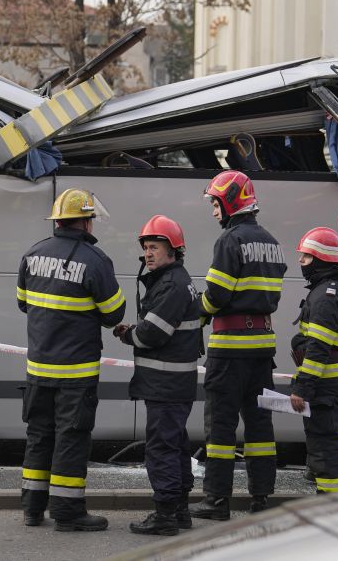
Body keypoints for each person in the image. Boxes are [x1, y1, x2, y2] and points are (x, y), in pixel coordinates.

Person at [17, 188, 126, 532]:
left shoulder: (32, 254)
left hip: (37, 368)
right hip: (75, 373)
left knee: (39, 434)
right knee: (71, 437)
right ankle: (67, 512)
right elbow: (113, 313)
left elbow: (24, 303)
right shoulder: (95, 261)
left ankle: (32, 508)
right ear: (84, 221)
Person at [189, 171, 287, 521]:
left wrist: (195, 314)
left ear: (230, 202)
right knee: (260, 426)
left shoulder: (230, 241)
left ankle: (216, 501)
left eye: (216, 204)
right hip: (262, 350)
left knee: (220, 427)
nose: (214, 211)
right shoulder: (271, 241)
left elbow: (216, 295)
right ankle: (261, 497)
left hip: (229, 349)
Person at [112, 215, 201, 536]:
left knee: (162, 448)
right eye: (146, 248)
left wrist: (127, 335)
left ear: (172, 250)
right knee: (175, 445)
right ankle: (178, 511)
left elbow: (153, 334)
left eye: (155, 247)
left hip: (166, 386)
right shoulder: (175, 281)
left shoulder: (172, 285)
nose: (148, 254)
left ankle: (165, 515)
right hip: (172, 384)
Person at [290, 227, 338, 494]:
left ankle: (329, 506)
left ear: (321, 260)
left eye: (306, 258)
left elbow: (319, 349)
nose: (301, 262)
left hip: (324, 386)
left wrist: (302, 388)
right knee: (330, 443)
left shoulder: (324, 298)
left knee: (324, 447)